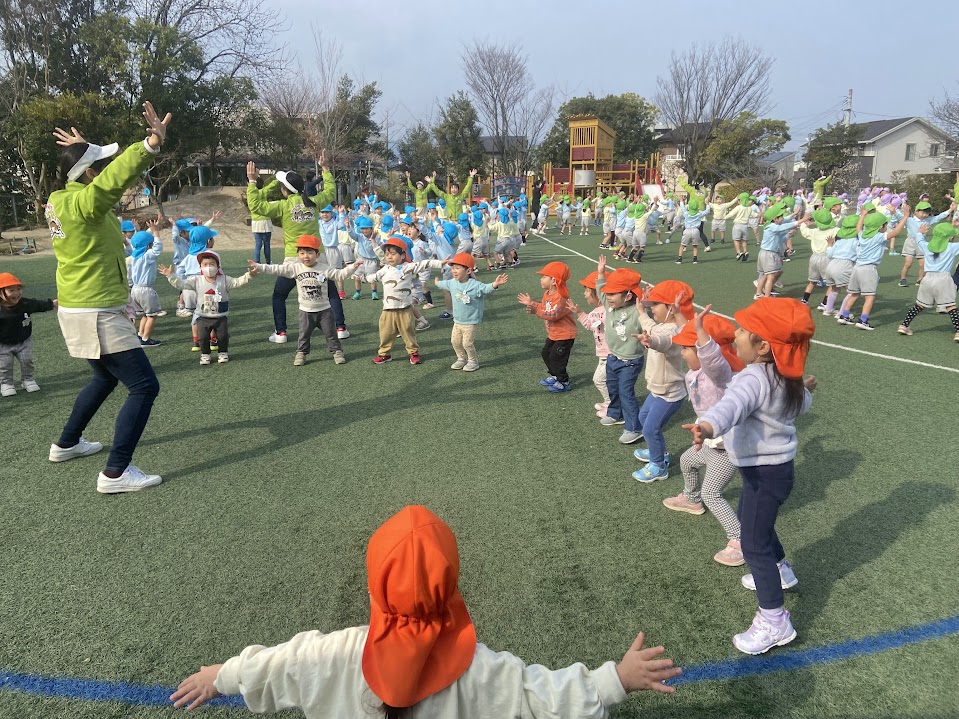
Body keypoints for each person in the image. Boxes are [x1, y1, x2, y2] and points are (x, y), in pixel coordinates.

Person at [171, 505, 681, 715]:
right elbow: (545, 699)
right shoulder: (482, 669)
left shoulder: (334, 652)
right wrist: (617, 677)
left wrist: (223, 673)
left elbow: (279, 663)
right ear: (452, 586)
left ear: (375, 588)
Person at [43, 105, 170, 493]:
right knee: (144, 386)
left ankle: (66, 443)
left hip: (78, 306)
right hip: (96, 309)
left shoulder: (60, 199)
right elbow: (113, 180)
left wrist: (82, 150)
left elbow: (95, 178)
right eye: (99, 162)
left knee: (103, 378)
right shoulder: (86, 203)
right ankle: (115, 472)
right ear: (90, 175)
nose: (105, 165)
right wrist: (150, 144)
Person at [684, 297, 816, 655]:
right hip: (775, 472)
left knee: (752, 542)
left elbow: (731, 404)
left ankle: (775, 620)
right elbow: (800, 403)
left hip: (763, 473)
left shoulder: (754, 377)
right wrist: (807, 389)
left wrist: (708, 424)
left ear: (762, 346)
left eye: (741, 330)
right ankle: (781, 569)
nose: (736, 335)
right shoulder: (786, 377)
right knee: (753, 520)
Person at [665, 306, 746, 566]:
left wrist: (700, 336)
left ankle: (739, 540)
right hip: (709, 441)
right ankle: (691, 498)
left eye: (688, 349)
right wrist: (680, 316)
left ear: (704, 350)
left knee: (713, 493)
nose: (682, 352)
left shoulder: (720, 375)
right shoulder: (698, 370)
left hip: (725, 449)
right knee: (687, 461)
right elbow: (683, 333)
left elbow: (715, 362)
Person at [245, 155, 350, 344]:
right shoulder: (314, 202)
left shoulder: (283, 206)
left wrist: (253, 182)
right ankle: (340, 327)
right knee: (331, 292)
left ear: (285, 191)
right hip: (318, 257)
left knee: (279, 295)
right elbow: (330, 191)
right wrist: (325, 169)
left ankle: (281, 332)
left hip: (294, 260)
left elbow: (255, 205)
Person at [249, 235, 362, 367]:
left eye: (309, 253)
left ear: (317, 254)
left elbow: (340, 274)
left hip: (324, 310)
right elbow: (277, 269)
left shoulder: (324, 268)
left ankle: (337, 351)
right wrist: (260, 266)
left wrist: (353, 267)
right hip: (305, 311)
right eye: (302, 253)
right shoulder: (295, 268)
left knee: (331, 334)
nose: (306, 256)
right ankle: (301, 353)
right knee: (304, 335)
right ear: (298, 255)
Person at [631, 281, 692, 482]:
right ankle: (659, 451)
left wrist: (651, 342)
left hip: (670, 394)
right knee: (643, 418)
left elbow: (664, 342)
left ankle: (658, 466)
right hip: (658, 390)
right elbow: (652, 326)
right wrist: (642, 311)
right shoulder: (663, 325)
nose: (652, 309)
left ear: (672, 309)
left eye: (655, 305)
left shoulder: (675, 331)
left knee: (650, 428)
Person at [356, 236, 445, 365]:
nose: (389, 257)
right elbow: (372, 278)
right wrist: (360, 277)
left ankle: (413, 353)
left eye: (393, 254)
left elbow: (424, 264)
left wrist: (440, 263)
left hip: (405, 308)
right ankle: (384, 354)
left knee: (408, 332)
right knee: (385, 333)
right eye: (387, 254)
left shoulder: (407, 267)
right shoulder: (384, 270)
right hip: (388, 310)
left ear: (403, 255)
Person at [160, 250, 257, 365]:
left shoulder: (224, 280)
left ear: (218, 266)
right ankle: (205, 354)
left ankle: (223, 353)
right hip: (202, 316)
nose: (208, 267)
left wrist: (249, 275)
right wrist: (170, 275)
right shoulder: (196, 280)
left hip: (220, 316)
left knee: (223, 336)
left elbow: (238, 282)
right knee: (203, 337)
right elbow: (181, 284)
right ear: (200, 267)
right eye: (205, 264)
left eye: (211, 264)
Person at [594, 261, 645, 443]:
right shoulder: (610, 305)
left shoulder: (636, 312)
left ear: (629, 295)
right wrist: (601, 273)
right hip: (612, 356)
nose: (608, 297)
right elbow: (600, 289)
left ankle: (634, 428)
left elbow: (649, 321)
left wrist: (644, 305)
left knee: (626, 393)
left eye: (613, 293)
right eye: (608, 293)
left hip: (630, 362)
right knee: (612, 387)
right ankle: (616, 413)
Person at [835, 207, 909, 330]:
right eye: (885, 225)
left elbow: (859, 227)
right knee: (870, 296)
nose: (886, 226)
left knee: (854, 294)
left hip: (857, 268)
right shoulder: (878, 237)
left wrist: (863, 215)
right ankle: (863, 320)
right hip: (868, 269)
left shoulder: (862, 235)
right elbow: (895, 232)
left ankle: (845, 315)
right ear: (881, 227)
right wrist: (905, 217)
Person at [434, 253, 508, 371]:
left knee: (467, 343)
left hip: (471, 321)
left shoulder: (475, 285)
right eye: (453, 268)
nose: (454, 271)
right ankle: (461, 359)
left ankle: (473, 361)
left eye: (457, 268)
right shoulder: (452, 282)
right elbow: (444, 284)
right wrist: (437, 282)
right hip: (457, 320)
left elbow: (485, 289)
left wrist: (495, 284)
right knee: (455, 342)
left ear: (468, 270)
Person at [517, 261, 577, 393]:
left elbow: (553, 315)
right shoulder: (548, 294)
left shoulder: (561, 297)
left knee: (557, 358)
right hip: (554, 334)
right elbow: (545, 308)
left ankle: (564, 381)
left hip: (565, 335)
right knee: (546, 353)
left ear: (554, 281)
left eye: (544, 277)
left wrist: (535, 311)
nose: (541, 279)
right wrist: (532, 304)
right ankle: (555, 375)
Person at [897, 222, 959, 341]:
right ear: (950, 237)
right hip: (943, 280)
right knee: (951, 306)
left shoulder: (927, 246)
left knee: (919, 305)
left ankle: (904, 325)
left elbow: (919, 239)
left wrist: (920, 232)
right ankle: (958, 332)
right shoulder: (952, 247)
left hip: (927, 280)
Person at [0, 272, 56, 397]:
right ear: (1, 293)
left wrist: (52, 304)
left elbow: (39, 305)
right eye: (11, 290)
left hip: (24, 341)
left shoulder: (25, 303)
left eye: (18, 289)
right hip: (3, 344)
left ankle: (28, 380)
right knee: (5, 365)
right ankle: (6, 384)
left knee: (27, 361)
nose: (16, 293)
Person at [567, 271, 610, 416]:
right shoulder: (594, 313)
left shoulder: (609, 311)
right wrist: (579, 312)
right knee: (607, 380)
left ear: (598, 294)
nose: (585, 294)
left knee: (598, 379)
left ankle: (612, 406)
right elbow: (590, 325)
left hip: (611, 354)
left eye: (587, 290)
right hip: (603, 354)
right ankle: (610, 402)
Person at [898, 200, 954, 287]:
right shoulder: (909, 220)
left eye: (927, 213)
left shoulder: (928, 220)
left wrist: (950, 210)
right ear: (916, 211)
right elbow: (899, 217)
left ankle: (920, 280)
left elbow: (938, 217)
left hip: (922, 244)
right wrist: (893, 211)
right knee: (908, 263)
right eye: (923, 212)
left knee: (923, 264)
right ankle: (903, 279)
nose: (925, 215)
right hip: (910, 242)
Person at [127, 219, 164, 347]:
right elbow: (158, 249)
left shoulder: (135, 256)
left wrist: (138, 230)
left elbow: (136, 242)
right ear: (148, 245)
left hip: (135, 290)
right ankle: (146, 339)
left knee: (144, 315)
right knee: (152, 316)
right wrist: (156, 232)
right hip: (145, 290)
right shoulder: (147, 255)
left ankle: (140, 335)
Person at [797, 209, 837, 307]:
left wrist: (805, 222)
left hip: (814, 258)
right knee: (833, 284)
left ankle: (804, 300)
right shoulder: (834, 230)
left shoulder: (814, 231)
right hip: (825, 258)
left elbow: (804, 230)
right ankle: (824, 303)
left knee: (812, 281)